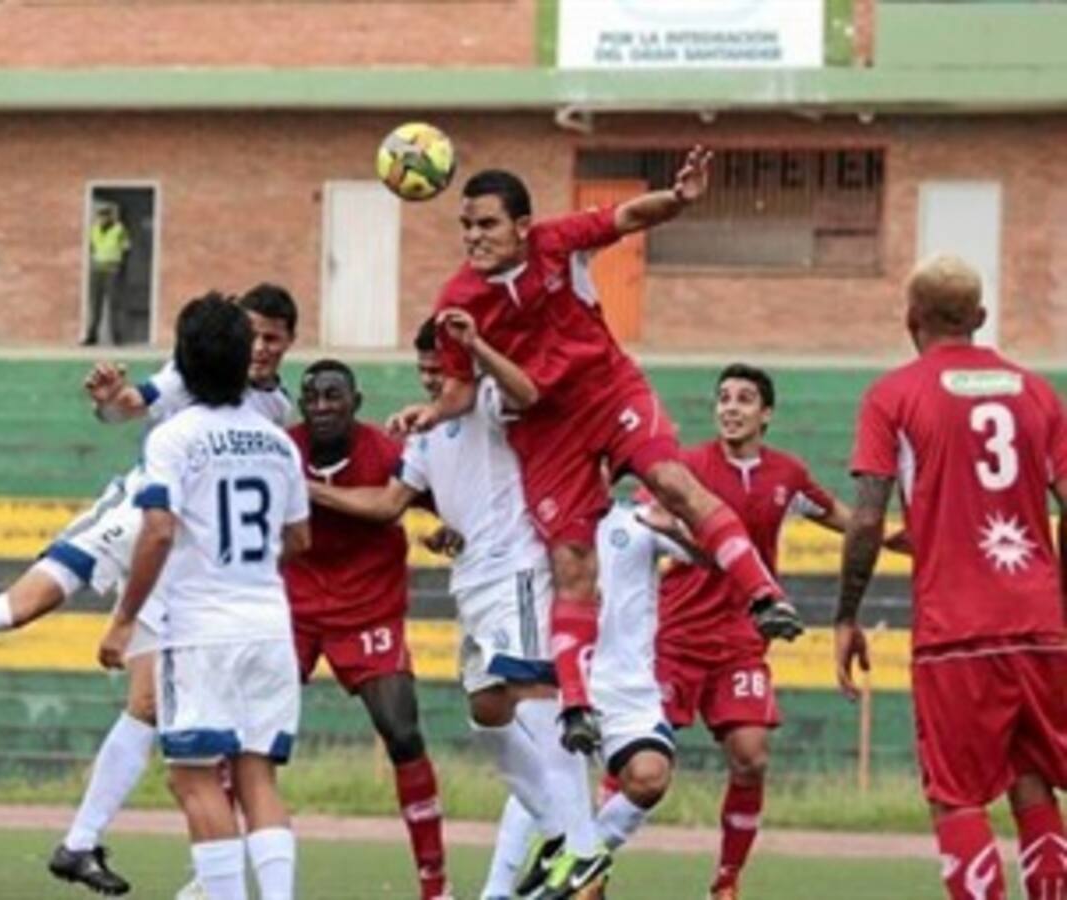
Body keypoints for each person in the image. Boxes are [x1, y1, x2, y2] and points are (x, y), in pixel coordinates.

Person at [389, 151, 803, 754]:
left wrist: (681, 199)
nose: (474, 237)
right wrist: (430, 412)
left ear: (522, 226)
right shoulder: (458, 298)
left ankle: (764, 595)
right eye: (467, 226)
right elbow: (460, 390)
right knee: (574, 563)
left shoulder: (557, 242)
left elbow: (631, 216)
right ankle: (578, 707)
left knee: (670, 481)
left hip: (609, 391)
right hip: (547, 431)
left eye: (487, 224)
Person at [307, 319, 607, 899]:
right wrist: (311, 490)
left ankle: (582, 848)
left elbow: (528, 393)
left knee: (537, 695)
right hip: (472, 581)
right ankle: (555, 830)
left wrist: (478, 349)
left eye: (438, 370)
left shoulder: (493, 402)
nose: (429, 381)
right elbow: (389, 502)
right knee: (487, 710)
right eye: (422, 370)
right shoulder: (424, 433)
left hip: (516, 569)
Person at [51, 282, 297, 896]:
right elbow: (301, 540)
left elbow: (157, 531)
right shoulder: (277, 438)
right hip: (269, 623)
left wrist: (123, 620)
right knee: (257, 777)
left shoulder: (174, 436)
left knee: (195, 781)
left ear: (182, 362)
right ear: (246, 358)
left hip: (201, 630)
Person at [836, 254, 1067, 900]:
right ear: (981, 319)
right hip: (1040, 626)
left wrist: (846, 615)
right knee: (1032, 780)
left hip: (955, 631)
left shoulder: (894, 395)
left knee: (958, 800)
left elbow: (866, 519)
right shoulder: (1037, 392)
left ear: (911, 319)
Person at [654, 364, 850, 900]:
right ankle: (591, 868)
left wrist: (907, 539)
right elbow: (650, 518)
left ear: (766, 414)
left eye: (744, 399)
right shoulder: (687, 467)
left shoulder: (786, 474)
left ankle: (726, 881)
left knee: (752, 755)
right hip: (675, 637)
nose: (731, 407)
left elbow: (846, 519)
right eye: (723, 398)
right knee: (641, 764)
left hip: (741, 641)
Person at [284, 359, 450, 900]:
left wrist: (451, 529)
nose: (323, 406)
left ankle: (435, 885)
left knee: (403, 734)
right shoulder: (281, 448)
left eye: (334, 396)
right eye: (313, 397)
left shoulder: (386, 451)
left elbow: (444, 502)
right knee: (251, 737)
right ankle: (215, 873)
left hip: (369, 611)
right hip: (294, 611)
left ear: (356, 401)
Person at [489, 493, 697, 900]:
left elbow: (712, 556)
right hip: (562, 676)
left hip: (627, 691)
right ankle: (496, 891)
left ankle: (576, 860)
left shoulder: (639, 521)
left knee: (650, 777)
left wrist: (678, 529)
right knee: (543, 779)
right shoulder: (541, 519)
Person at [83, 202, 132, 346]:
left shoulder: (119, 230)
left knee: (114, 305)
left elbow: (126, 249)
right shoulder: (94, 230)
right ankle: (92, 336)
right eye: (100, 216)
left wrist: (121, 268)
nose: (102, 218)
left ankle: (117, 337)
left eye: (105, 215)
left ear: (111, 216)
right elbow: (92, 247)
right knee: (95, 304)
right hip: (97, 270)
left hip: (113, 270)